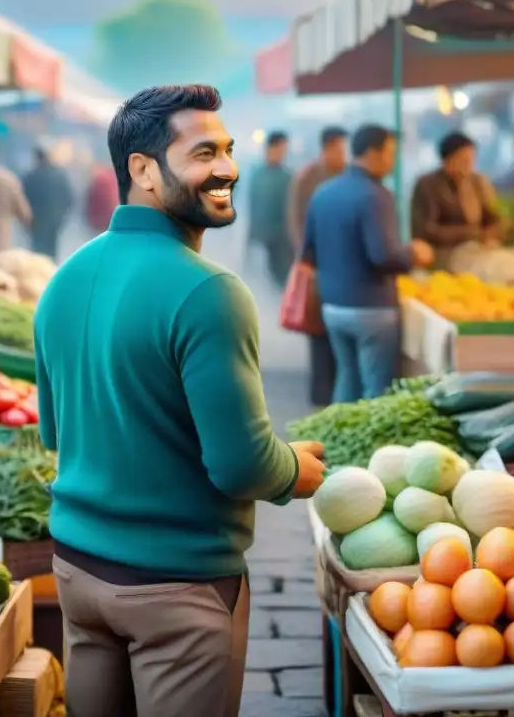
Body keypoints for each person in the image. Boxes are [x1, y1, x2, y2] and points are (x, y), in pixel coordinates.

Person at [34, 85, 326, 717]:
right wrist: (294, 470)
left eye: (226, 150)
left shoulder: (64, 281)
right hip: (177, 588)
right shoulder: (211, 292)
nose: (226, 169)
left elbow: (57, 433)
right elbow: (242, 465)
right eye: (202, 154)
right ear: (142, 170)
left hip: (79, 578)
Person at [304, 125, 432, 403]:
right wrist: (414, 254)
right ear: (373, 152)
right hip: (371, 310)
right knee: (377, 391)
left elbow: (308, 251)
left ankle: (336, 441)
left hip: (333, 306)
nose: (391, 161)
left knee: (347, 378)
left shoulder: (323, 192)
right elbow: (383, 256)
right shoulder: (376, 195)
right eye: (390, 153)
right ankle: (373, 447)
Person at [287, 126, 348, 407]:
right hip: (316, 266)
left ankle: (335, 393)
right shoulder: (308, 178)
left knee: (336, 333)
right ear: (326, 148)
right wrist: (305, 258)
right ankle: (320, 395)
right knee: (318, 330)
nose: (342, 154)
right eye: (338, 149)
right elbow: (297, 221)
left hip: (343, 264)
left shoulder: (347, 173)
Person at [411, 131, 504, 268]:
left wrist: (493, 231)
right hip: (443, 252)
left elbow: (492, 218)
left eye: (471, 159)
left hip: (478, 248)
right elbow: (427, 230)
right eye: (463, 159)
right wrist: (471, 233)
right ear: (447, 161)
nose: (469, 164)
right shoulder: (427, 185)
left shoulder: (477, 182)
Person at [247, 131, 293, 288]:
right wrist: (251, 238)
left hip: (283, 241)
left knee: (281, 282)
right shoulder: (257, 175)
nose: (283, 153)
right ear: (270, 148)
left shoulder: (288, 177)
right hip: (262, 239)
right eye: (282, 149)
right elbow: (252, 207)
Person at [22, 144, 74, 258]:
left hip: (37, 221)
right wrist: (62, 218)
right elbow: (69, 199)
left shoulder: (30, 176)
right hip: (54, 221)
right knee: (51, 253)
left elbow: (23, 200)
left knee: (37, 254)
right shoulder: (60, 175)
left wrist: (28, 221)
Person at [84, 161, 118, 235]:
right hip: (109, 221)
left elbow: (89, 202)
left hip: (98, 222)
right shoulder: (113, 179)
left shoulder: (98, 181)